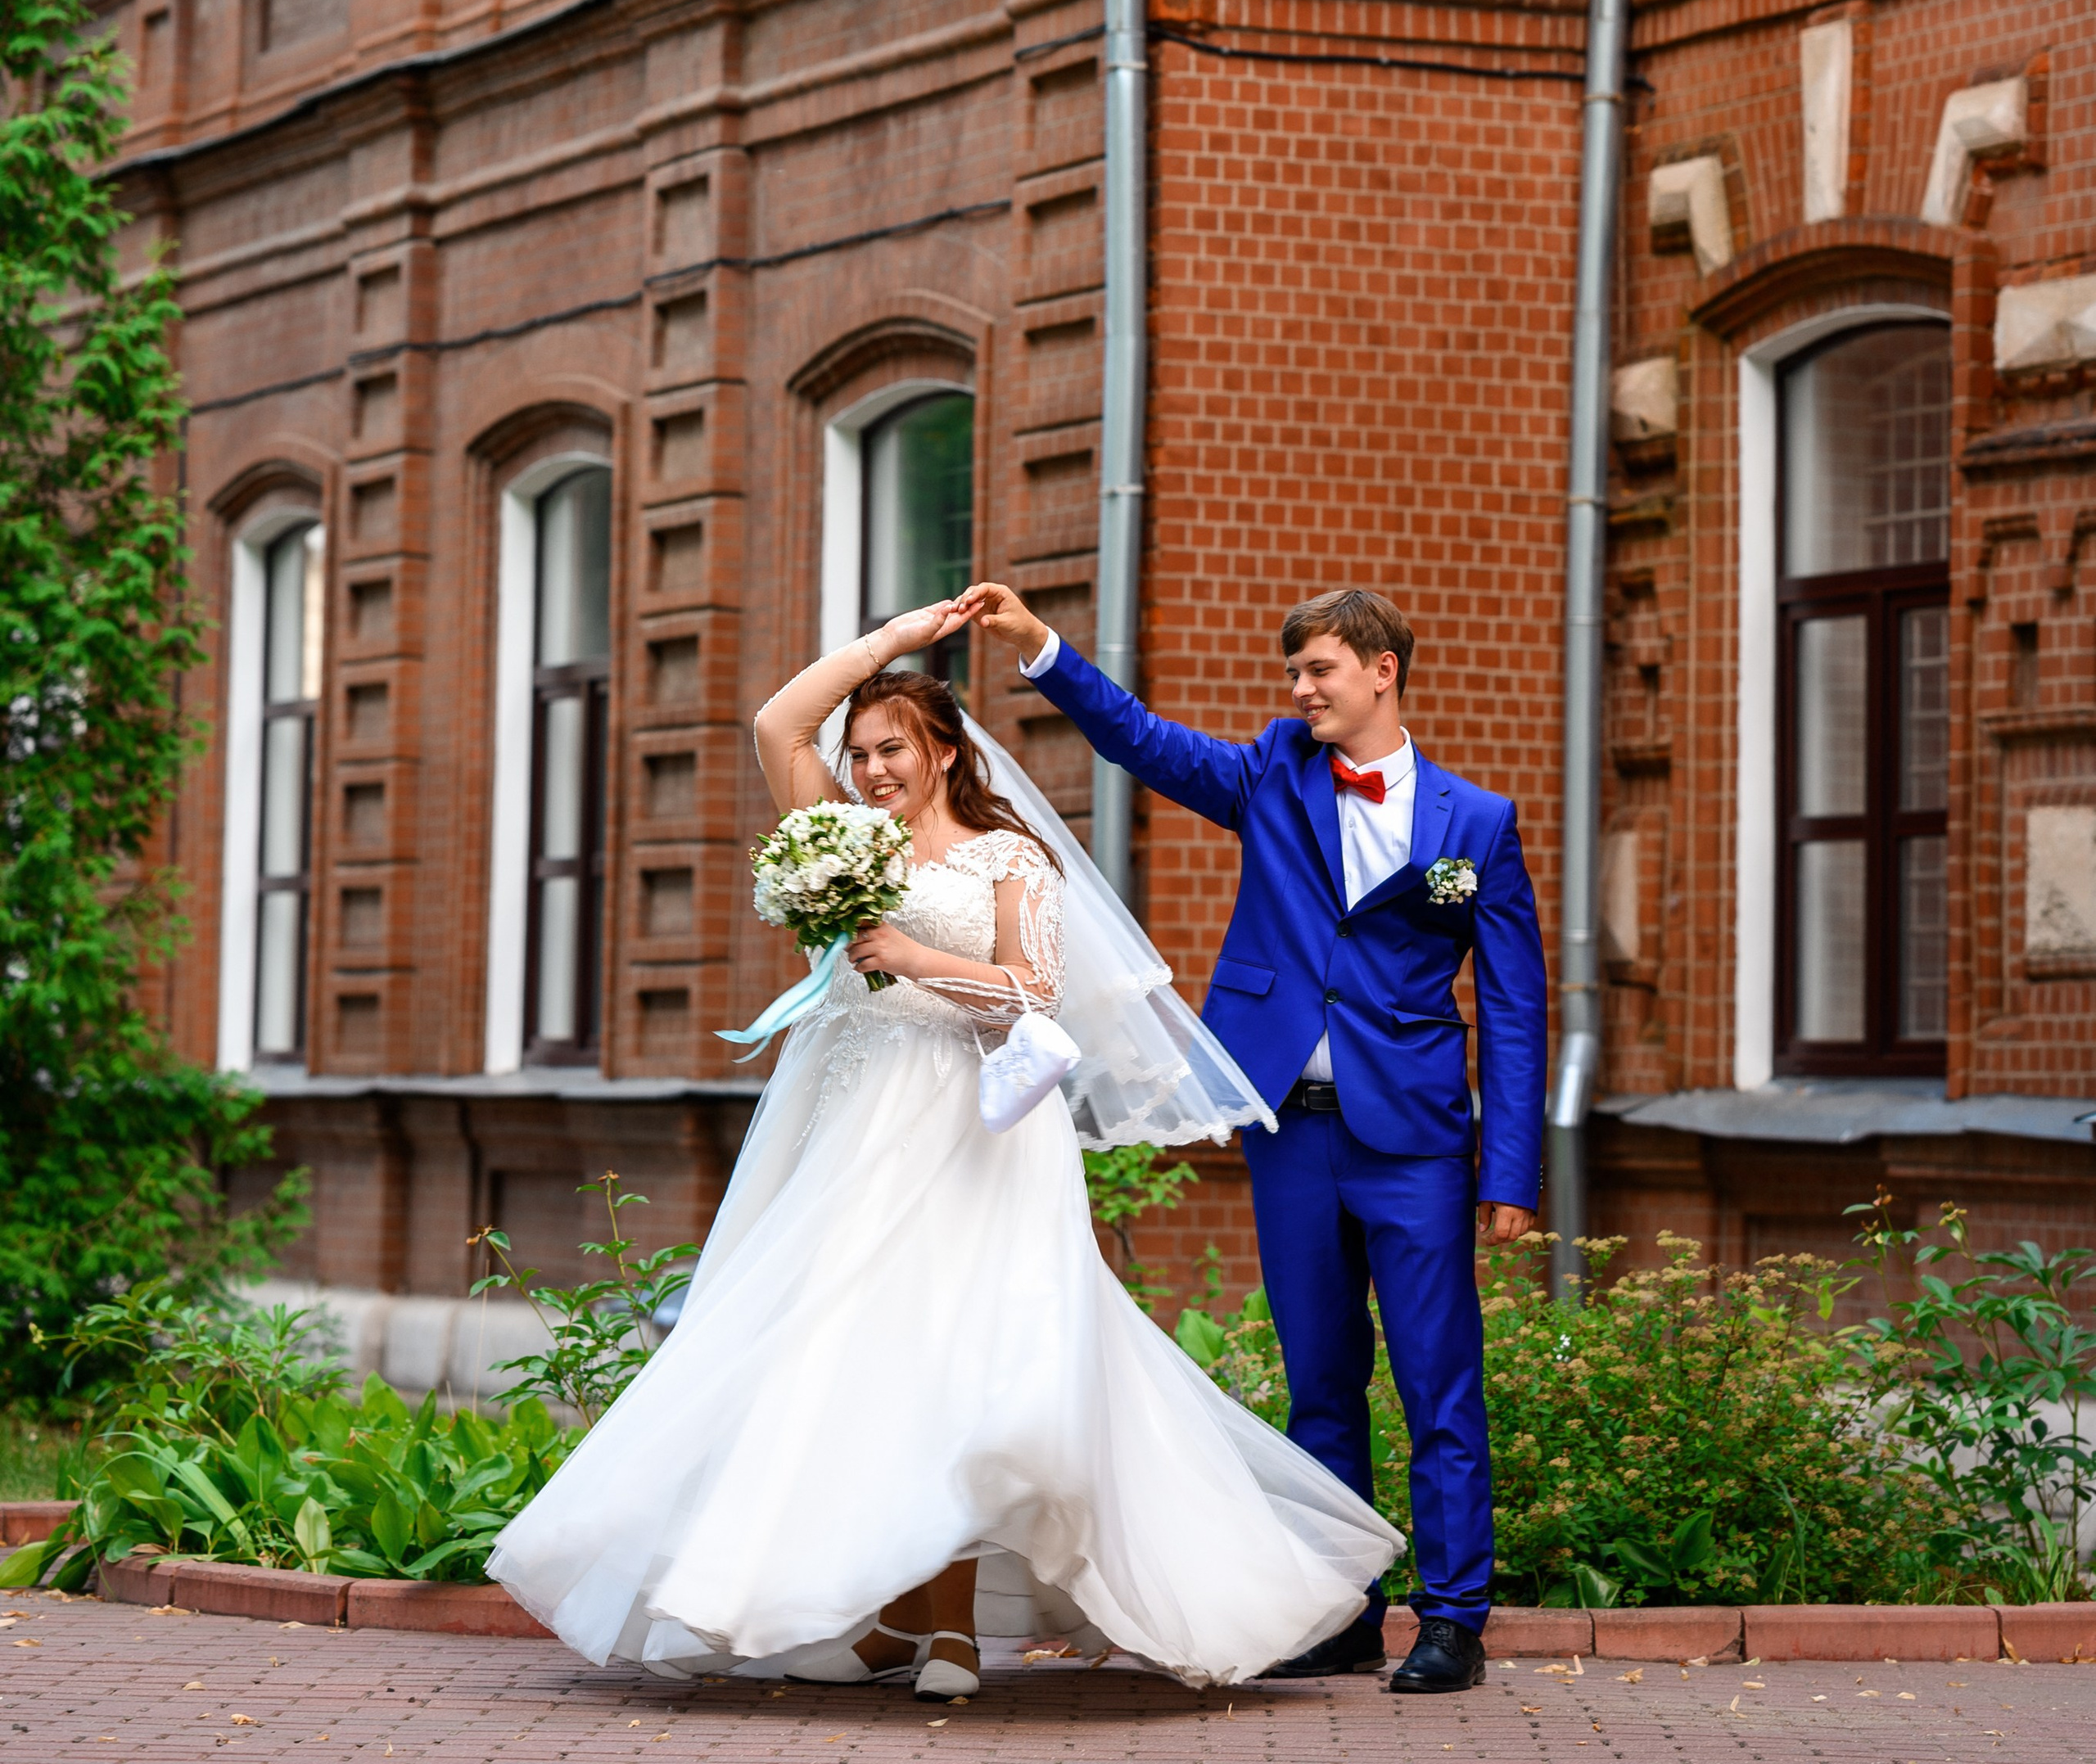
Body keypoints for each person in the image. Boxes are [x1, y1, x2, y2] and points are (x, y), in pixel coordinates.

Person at [488, 598, 1398, 1692]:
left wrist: (917, 957)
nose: (870, 771)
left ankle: (955, 1633)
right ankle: (884, 1617)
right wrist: (891, 645)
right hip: (848, 1119)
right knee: (842, 1357)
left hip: (977, 1129)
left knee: (959, 1361)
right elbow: (779, 723)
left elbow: (1038, 994)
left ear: (945, 753)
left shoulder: (1012, 857)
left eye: (892, 749)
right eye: (861, 752)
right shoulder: (843, 835)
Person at [960, 579, 1547, 1697]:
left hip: (1417, 1142)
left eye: (1319, 670)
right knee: (1320, 1380)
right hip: (1289, 1131)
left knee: (1439, 1382)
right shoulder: (1273, 772)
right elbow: (1143, 741)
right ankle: (1338, 1610)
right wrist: (1043, 651)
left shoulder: (1476, 825)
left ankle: (1456, 1617)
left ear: (1382, 671)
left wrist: (1507, 1169)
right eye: (1296, 674)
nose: (1299, 691)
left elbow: (1517, 1008)